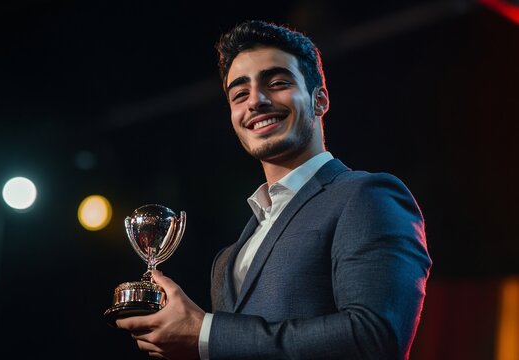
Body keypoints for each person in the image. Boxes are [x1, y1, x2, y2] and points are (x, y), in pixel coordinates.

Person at [116, 20, 432, 359]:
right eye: (240, 94)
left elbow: (372, 339)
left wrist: (204, 331)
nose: (256, 101)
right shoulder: (228, 259)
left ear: (320, 100)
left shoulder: (368, 196)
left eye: (278, 83)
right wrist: (189, 343)